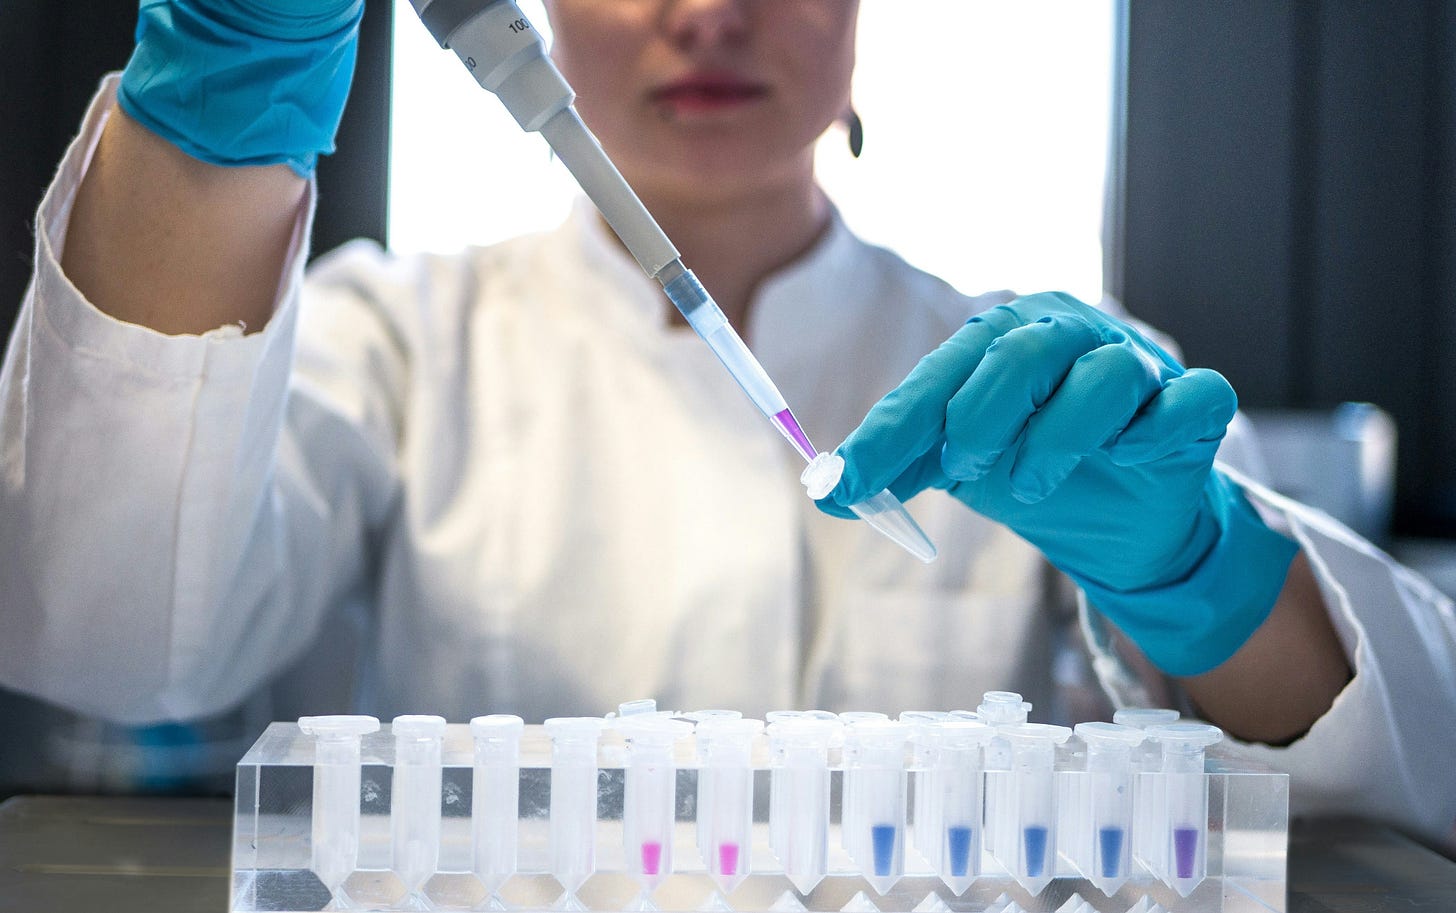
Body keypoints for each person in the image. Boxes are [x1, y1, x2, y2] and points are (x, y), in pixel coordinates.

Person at [1, 0, 1452, 847]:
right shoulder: (394, 339)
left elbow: (1383, 781)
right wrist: (217, 118)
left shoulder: (1039, 379)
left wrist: (1200, 574)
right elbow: (109, 635)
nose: (708, 12)